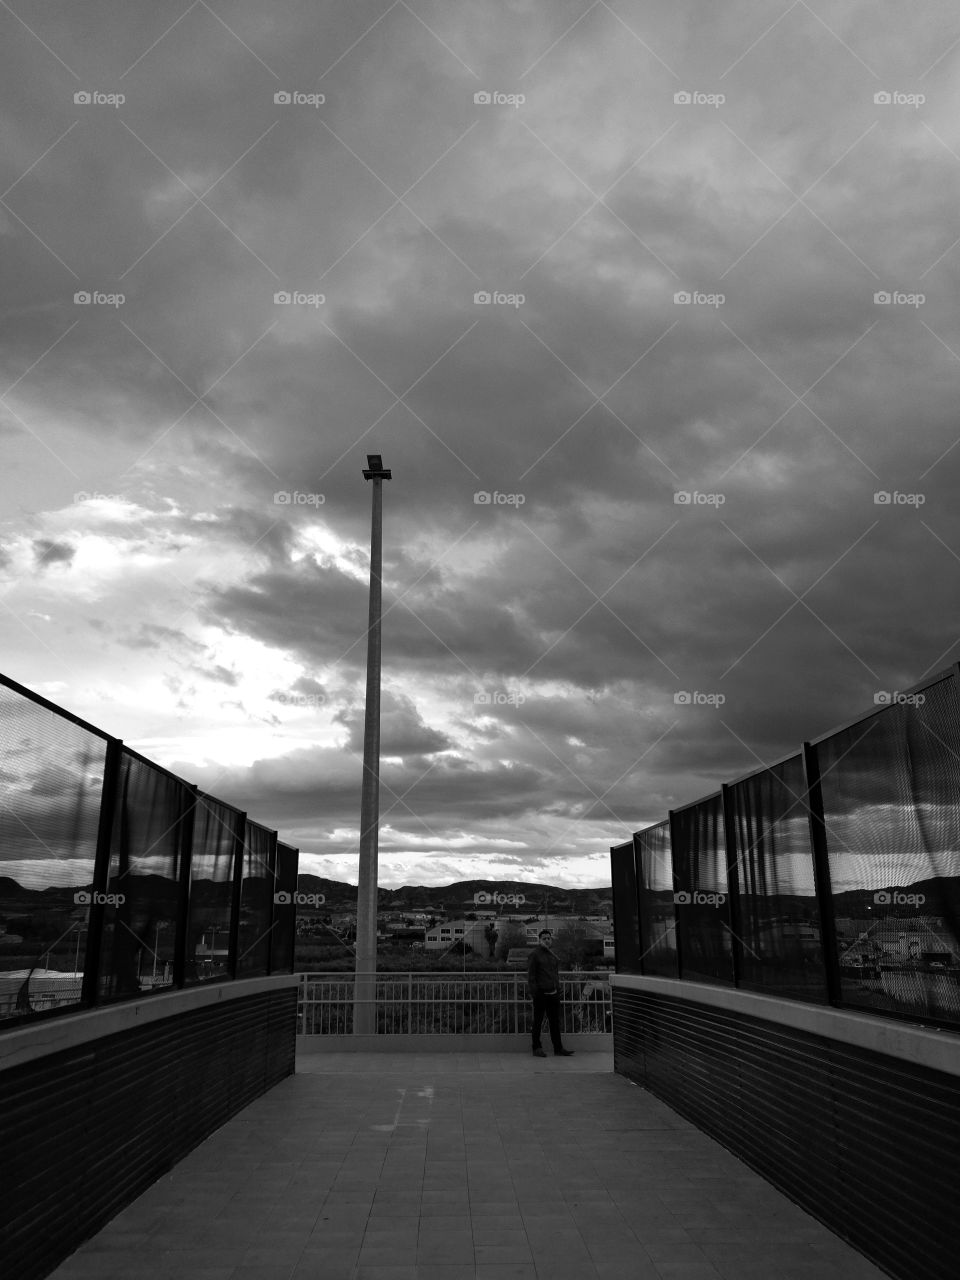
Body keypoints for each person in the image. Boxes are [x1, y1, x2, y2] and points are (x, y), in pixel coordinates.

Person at [527, 928, 574, 1057]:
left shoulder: (552, 955)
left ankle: (558, 1048)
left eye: (549, 938)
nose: (547, 940)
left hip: (553, 993)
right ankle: (536, 1047)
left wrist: (558, 988)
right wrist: (534, 993)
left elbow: (555, 974)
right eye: (544, 938)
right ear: (539, 940)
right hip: (541, 994)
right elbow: (531, 976)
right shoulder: (535, 955)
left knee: (554, 1022)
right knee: (538, 1021)